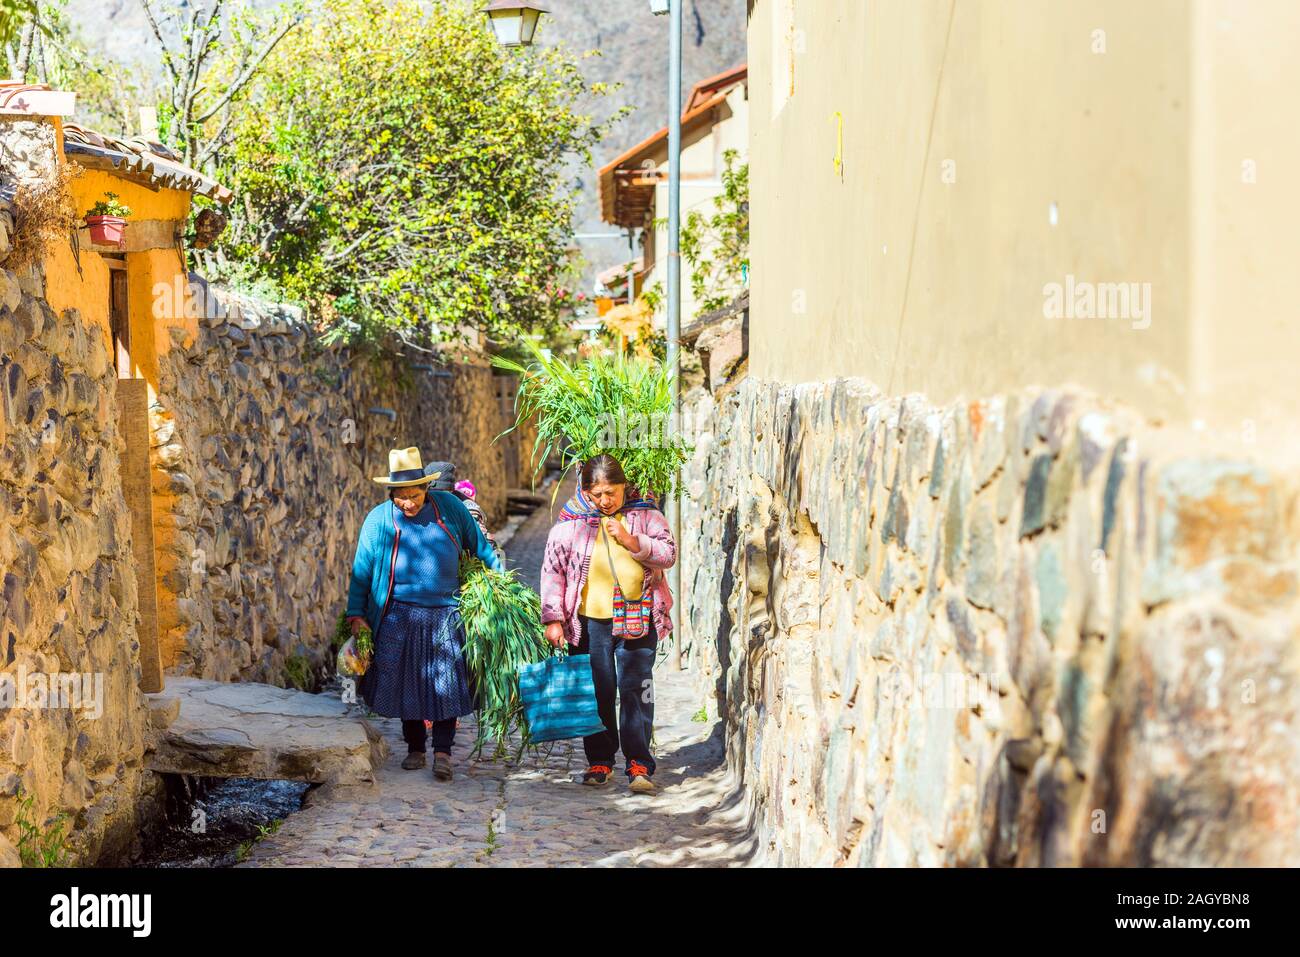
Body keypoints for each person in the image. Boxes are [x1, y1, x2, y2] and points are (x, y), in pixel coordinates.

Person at [345, 446, 502, 781]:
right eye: (401, 497)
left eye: (414, 495)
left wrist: (499, 584)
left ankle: (442, 753)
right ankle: (415, 747)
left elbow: (481, 547)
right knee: (406, 683)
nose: (408, 503)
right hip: (398, 615)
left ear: (426, 488)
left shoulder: (450, 509)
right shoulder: (379, 520)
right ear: (392, 493)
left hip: (446, 612)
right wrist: (357, 616)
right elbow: (361, 572)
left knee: (446, 685)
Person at [539, 454, 676, 794]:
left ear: (624, 486)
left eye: (610, 492)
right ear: (586, 491)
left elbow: (668, 554)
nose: (604, 500)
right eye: (596, 494)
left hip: (638, 618)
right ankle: (599, 760)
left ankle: (639, 763)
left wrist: (632, 541)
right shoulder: (572, 521)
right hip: (589, 624)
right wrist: (554, 617)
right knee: (598, 692)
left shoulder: (645, 514)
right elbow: (553, 570)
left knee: (636, 690)